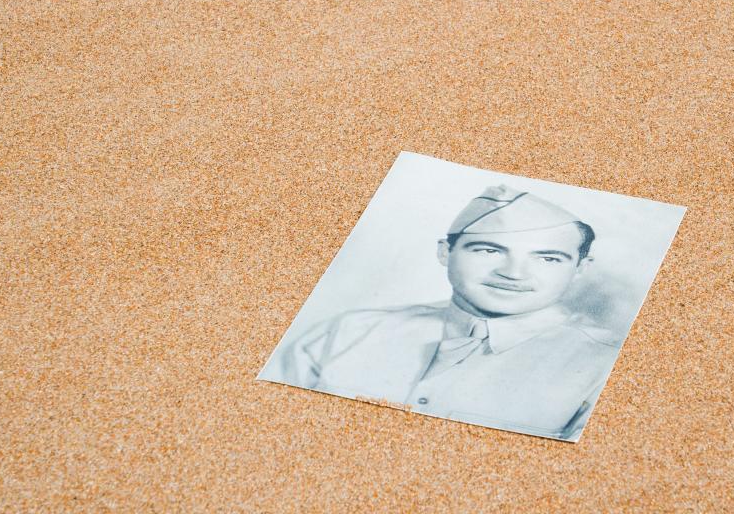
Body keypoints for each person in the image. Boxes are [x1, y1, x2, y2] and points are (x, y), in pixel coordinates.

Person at [260, 184, 622, 441]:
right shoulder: (349, 332)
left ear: (579, 268)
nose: (513, 273)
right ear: (445, 254)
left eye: (547, 258)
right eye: (488, 250)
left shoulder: (605, 368)